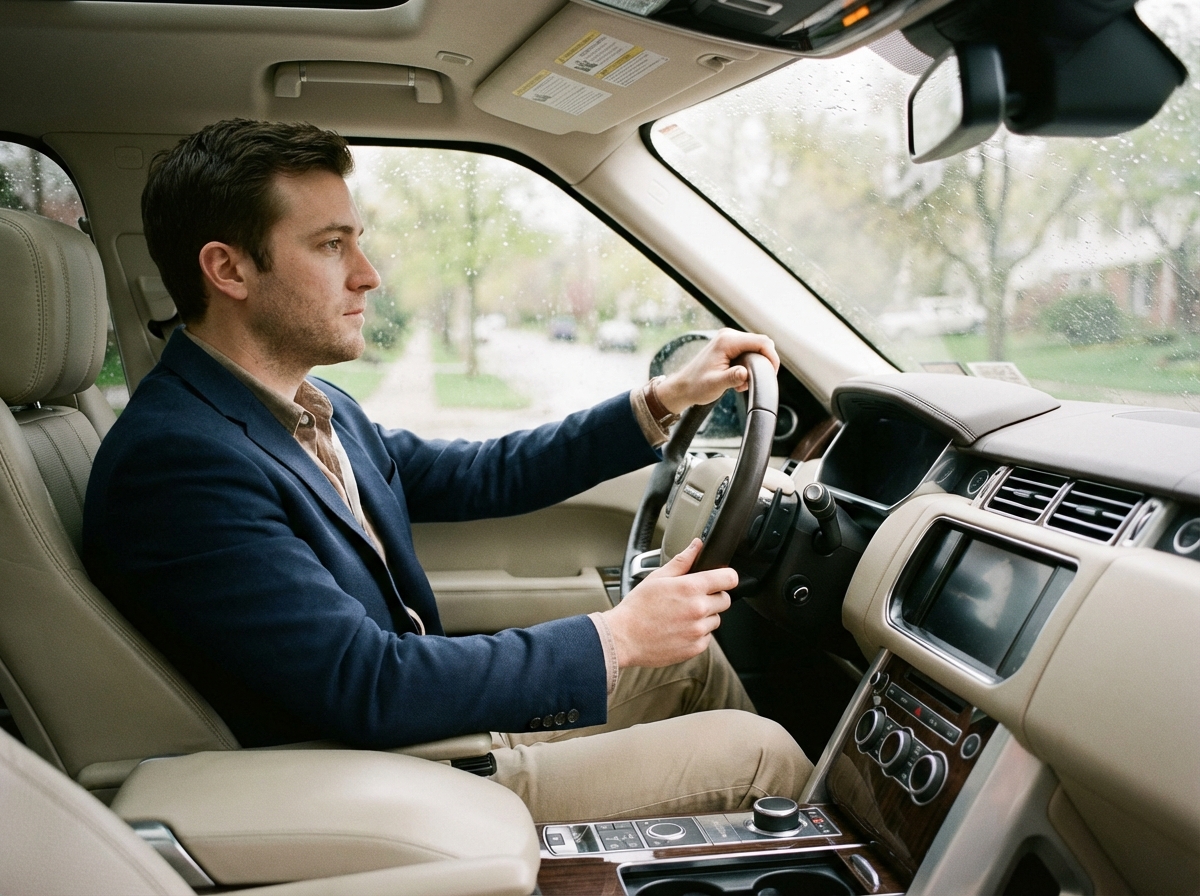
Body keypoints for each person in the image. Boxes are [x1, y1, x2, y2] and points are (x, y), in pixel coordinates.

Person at [83, 119, 812, 822]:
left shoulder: (306, 404)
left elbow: (481, 474)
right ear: (228, 269)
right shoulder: (178, 461)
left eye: (357, 242)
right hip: (369, 781)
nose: (368, 276)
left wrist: (663, 399)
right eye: (331, 246)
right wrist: (617, 637)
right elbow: (365, 683)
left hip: (413, 735)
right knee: (761, 758)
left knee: (690, 661)